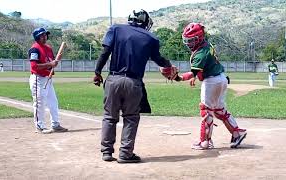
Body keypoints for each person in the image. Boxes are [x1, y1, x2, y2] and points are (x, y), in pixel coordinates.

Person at [93, 9, 174, 163]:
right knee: (130, 118)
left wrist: (97, 72)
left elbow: (105, 52)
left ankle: (107, 152)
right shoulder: (151, 38)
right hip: (133, 82)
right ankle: (125, 154)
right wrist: (168, 65)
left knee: (110, 117)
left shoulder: (115, 29)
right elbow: (158, 59)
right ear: (145, 22)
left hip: (113, 79)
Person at [174, 23, 247, 150]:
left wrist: (177, 78)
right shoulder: (207, 45)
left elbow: (193, 72)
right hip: (221, 78)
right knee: (219, 110)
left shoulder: (200, 53)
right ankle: (237, 133)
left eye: (191, 40)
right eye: (187, 40)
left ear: (199, 38)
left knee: (206, 111)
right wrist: (196, 76)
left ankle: (205, 141)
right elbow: (206, 66)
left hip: (211, 81)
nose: (188, 43)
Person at [28, 27, 68, 134]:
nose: (45, 37)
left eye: (45, 35)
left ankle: (55, 124)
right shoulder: (34, 49)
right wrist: (50, 64)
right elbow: (34, 67)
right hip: (38, 79)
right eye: (42, 35)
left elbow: (51, 63)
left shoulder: (48, 48)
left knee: (53, 102)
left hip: (48, 78)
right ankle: (40, 126)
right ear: (37, 37)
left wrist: (56, 61)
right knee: (40, 103)